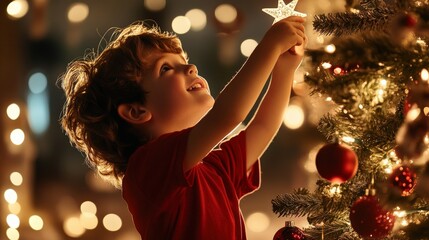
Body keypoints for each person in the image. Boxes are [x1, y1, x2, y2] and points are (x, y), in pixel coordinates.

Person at [59, 15, 306, 240]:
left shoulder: (213, 170)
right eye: (166, 68)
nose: (191, 68)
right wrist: (269, 47)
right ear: (137, 111)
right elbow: (227, 115)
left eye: (184, 62)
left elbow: (262, 128)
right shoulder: (147, 169)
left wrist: (284, 70)